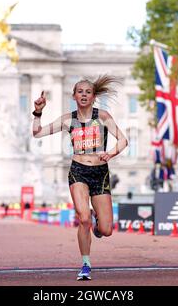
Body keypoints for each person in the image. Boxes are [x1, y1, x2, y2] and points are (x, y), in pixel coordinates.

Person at [32, 74, 128, 281]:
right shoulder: (69, 119)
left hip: (100, 173)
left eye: (88, 92)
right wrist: (38, 112)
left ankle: (97, 223)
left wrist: (110, 153)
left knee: (106, 230)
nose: (84, 95)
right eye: (80, 92)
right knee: (83, 218)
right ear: (74, 96)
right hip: (78, 171)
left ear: (94, 97)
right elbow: (37, 133)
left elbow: (123, 140)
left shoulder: (102, 116)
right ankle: (86, 264)